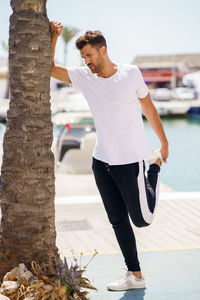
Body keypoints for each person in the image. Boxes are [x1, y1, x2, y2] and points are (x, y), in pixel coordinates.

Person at [50, 21, 169, 291]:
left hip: (131, 161)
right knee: (117, 220)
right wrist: (55, 39)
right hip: (101, 162)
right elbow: (51, 69)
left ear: (103, 50)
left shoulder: (131, 74)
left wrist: (163, 143)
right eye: (83, 57)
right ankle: (135, 275)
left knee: (142, 219)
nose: (86, 61)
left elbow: (149, 109)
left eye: (89, 55)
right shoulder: (84, 76)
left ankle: (155, 169)